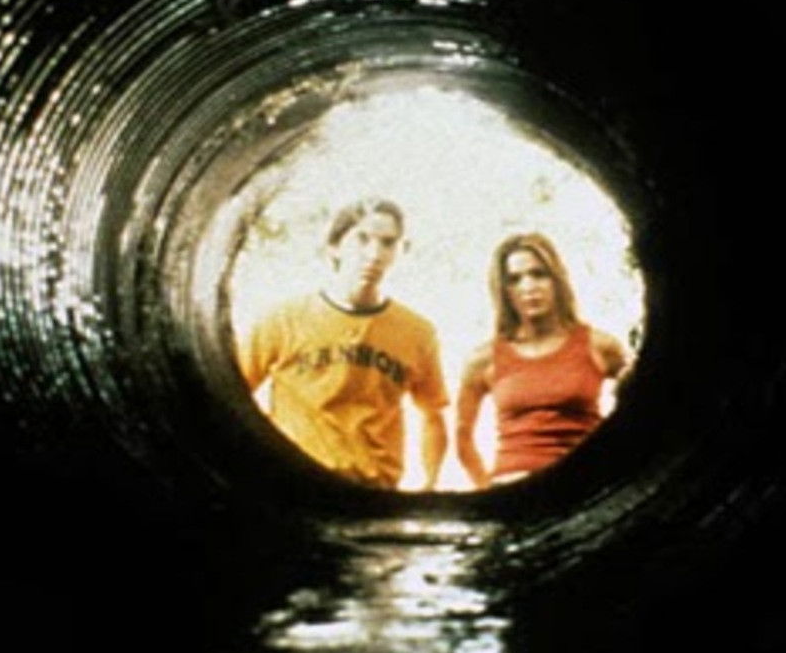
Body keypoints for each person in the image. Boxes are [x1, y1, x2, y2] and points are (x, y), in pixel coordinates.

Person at [237, 198, 449, 491]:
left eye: (387, 243)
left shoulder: (417, 332)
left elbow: (433, 413)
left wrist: (431, 482)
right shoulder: (284, 319)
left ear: (399, 252)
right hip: (295, 484)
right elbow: (232, 394)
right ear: (334, 246)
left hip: (373, 489)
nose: (374, 254)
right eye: (362, 239)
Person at [456, 233, 631, 488]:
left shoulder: (599, 345)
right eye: (515, 279)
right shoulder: (483, 359)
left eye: (538, 274)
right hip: (514, 486)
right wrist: (489, 495)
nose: (529, 287)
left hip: (582, 485)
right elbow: (463, 439)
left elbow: (644, 397)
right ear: (504, 291)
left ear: (556, 280)